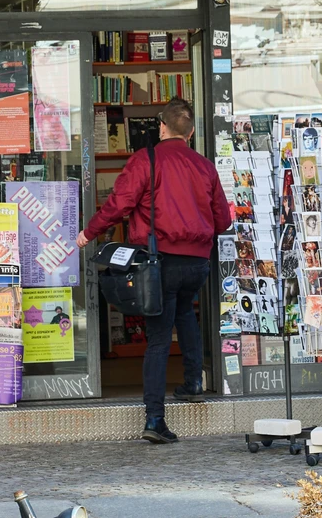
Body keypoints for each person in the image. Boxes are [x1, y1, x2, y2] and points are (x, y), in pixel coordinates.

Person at [76, 98, 231, 444]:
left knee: (159, 338)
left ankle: (155, 418)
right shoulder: (205, 167)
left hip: (160, 261)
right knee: (187, 317)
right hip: (197, 263)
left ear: (162, 127)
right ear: (190, 132)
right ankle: (193, 382)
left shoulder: (145, 160)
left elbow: (120, 204)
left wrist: (89, 232)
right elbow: (223, 220)